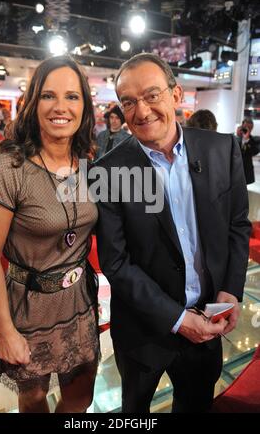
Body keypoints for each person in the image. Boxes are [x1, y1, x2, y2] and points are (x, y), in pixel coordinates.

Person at [95, 53, 251, 413]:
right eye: (129, 102)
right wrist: (178, 321)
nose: (142, 111)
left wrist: (230, 288)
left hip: (209, 317)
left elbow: (237, 225)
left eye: (152, 95)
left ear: (176, 95)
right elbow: (116, 263)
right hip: (142, 330)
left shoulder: (222, 149)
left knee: (195, 404)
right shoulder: (109, 171)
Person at [0, 55, 100, 413]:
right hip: (27, 310)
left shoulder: (89, 163)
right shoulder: (7, 169)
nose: (61, 107)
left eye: (72, 97)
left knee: (81, 397)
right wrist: (5, 331)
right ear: (33, 102)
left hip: (79, 303)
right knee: (33, 399)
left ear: (85, 106)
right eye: (49, 96)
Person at [236, 119, 260, 185]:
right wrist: (237, 135)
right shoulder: (235, 138)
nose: (247, 129)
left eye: (249, 128)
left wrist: (247, 140)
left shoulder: (254, 140)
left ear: (252, 128)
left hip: (246, 172)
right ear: (242, 126)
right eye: (245, 127)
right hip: (234, 170)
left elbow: (255, 151)